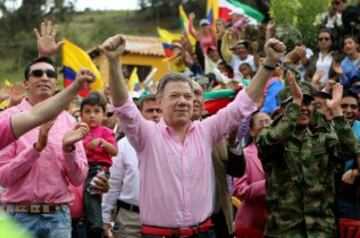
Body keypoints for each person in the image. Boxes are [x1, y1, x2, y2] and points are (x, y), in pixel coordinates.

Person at [102, 33, 285, 237]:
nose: (183, 101)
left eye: (188, 96)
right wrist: (113, 61)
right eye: (175, 96)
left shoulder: (207, 131)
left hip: (204, 232)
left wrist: (268, 63)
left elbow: (242, 105)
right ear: (160, 102)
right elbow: (124, 107)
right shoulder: (146, 135)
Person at [256, 70, 359, 237]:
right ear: (283, 108)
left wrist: (337, 111)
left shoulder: (324, 135)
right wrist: (295, 105)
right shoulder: (269, 134)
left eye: (307, 103)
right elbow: (270, 142)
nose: (303, 107)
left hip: (320, 229)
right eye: (296, 102)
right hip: (285, 229)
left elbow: (350, 150)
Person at [0, 55, 89, 238]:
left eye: (50, 74)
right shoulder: (10, 119)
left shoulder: (70, 121)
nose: (44, 77)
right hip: (17, 217)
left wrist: (69, 150)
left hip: (58, 218)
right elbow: (3, 178)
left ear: (56, 84)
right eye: (38, 73)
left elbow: (79, 178)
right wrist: (35, 149)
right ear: (26, 83)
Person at [191, 81, 246, 238]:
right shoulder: (167, 135)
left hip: (217, 221)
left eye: (198, 94)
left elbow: (236, 171)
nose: (194, 99)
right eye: (189, 94)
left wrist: (233, 142)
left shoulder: (214, 132)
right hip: (184, 226)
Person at [102, 94, 161, 238]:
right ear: (139, 114)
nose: (155, 115)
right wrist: (106, 218)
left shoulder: (174, 144)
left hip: (162, 219)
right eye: (150, 110)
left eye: (159, 111)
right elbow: (113, 184)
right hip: (129, 219)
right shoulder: (123, 145)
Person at [80, 92, 118, 237]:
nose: (92, 115)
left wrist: (103, 142)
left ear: (104, 114)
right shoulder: (79, 131)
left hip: (99, 168)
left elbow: (114, 152)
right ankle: (92, 223)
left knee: (92, 192)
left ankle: (96, 225)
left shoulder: (106, 132)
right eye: (87, 112)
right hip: (84, 168)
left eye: (97, 111)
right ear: (81, 114)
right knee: (86, 196)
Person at [233, 112, 271, 235]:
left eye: (269, 122)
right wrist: (268, 184)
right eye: (261, 122)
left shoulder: (284, 152)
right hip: (253, 224)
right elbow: (240, 190)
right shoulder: (244, 155)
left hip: (281, 223)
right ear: (251, 131)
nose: (265, 126)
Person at [335, 90, 360, 220]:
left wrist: (355, 172)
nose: (349, 110)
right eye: (343, 106)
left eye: (354, 107)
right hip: (323, 195)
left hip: (350, 195)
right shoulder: (325, 129)